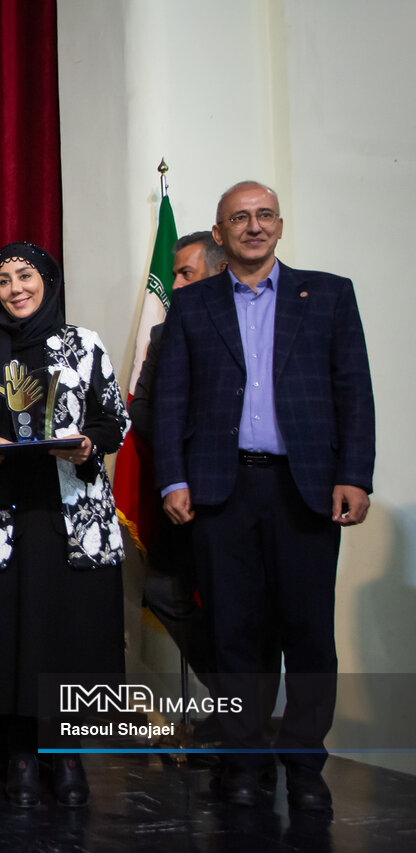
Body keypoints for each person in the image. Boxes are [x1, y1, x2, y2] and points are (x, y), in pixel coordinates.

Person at [154, 181, 375, 812]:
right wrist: (173, 478)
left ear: (279, 224)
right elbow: (171, 398)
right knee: (233, 634)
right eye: (239, 218)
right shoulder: (192, 305)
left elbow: (353, 390)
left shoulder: (329, 294)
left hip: (305, 488)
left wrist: (355, 474)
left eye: (264, 215)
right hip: (221, 490)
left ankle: (304, 766)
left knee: (308, 633)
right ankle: (243, 762)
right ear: (219, 233)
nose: (253, 226)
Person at [0, 241, 129, 809]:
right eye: (4, 280)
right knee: (8, 634)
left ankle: (67, 753)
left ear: (48, 281)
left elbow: (114, 418)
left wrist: (88, 443)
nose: (15, 289)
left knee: (68, 633)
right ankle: (20, 753)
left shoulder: (84, 344)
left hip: (70, 514)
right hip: (1, 515)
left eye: (25, 276)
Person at [130, 232, 226, 707]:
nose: (176, 284)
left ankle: (243, 718)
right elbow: (143, 408)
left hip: (234, 491)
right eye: (174, 275)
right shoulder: (162, 335)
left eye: (186, 273)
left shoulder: (247, 330)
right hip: (180, 488)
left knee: (240, 606)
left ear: (219, 271)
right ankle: (234, 701)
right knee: (163, 590)